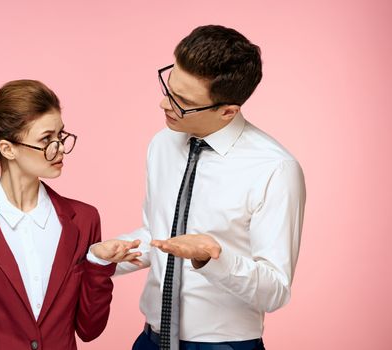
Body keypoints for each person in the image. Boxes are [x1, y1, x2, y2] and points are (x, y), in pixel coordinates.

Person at [89, 25, 306, 350]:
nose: (164, 104)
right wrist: (99, 258)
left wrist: (213, 258)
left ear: (227, 111)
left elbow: (275, 290)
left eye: (182, 101)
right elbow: (159, 234)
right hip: (149, 340)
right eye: (168, 86)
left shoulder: (275, 169)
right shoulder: (162, 144)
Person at [0, 79, 116, 350]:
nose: (58, 147)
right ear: (7, 149)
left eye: (60, 135)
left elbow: (89, 329)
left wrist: (99, 266)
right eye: (46, 139)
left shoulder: (84, 219)